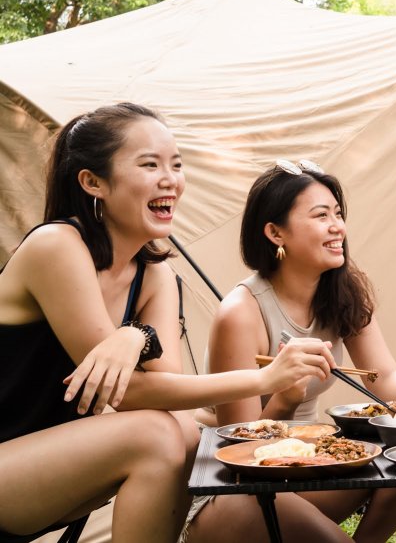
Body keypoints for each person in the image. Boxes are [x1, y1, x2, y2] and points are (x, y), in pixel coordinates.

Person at [0, 103, 336, 543]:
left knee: (177, 429)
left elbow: (163, 392)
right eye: (149, 164)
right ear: (93, 182)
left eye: (176, 165)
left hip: (37, 465)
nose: (170, 179)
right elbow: (128, 395)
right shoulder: (57, 246)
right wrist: (265, 378)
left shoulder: (154, 273)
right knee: (154, 433)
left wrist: (135, 335)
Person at [184, 159, 396, 543]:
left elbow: (383, 376)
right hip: (234, 491)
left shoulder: (344, 293)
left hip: (308, 470)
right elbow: (241, 452)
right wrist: (284, 398)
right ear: (275, 232)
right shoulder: (240, 313)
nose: (337, 227)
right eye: (320, 216)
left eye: (338, 213)